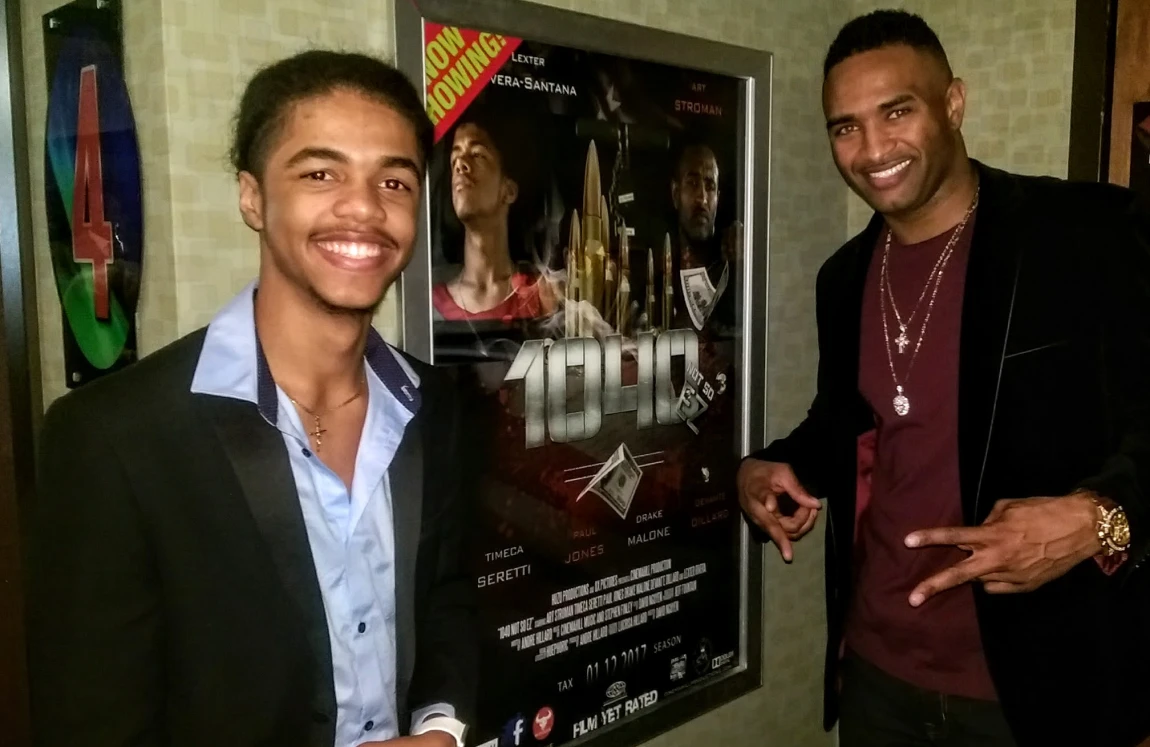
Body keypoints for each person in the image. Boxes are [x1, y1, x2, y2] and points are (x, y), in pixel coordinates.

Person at [25, 50, 476, 747]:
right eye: (320, 173)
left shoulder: (433, 404)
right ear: (252, 197)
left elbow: (448, 599)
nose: (364, 207)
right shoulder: (114, 438)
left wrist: (442, 729)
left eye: (394, 181)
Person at [737, 10, 1149, 747]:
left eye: (897, 112)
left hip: (1040, 687)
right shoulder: (844, 277)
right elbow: (853, 423)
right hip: (879, 675)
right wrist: (767, 466)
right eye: (846, 127)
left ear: (953, 103)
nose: (872, 150)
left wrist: (1099, 518)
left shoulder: (1082, 234)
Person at [432, 114, 554, 322]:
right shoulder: (431, 305)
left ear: (509, 191)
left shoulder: (540, 296)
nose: (460, 164)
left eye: (477, 155)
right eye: (454, 158)